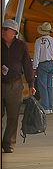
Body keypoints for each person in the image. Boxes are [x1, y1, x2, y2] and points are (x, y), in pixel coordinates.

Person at [2, 19, 36, 153]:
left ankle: (9, 144)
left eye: (5, 29)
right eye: (2, 29)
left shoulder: (21, 46)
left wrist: (31, 84)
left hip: (15, 85)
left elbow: (27, 65)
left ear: (14, 32)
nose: (3, 31)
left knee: (13, 116)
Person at [32, 21, 53, 114]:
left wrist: (34, 67)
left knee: (42, 86)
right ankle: (50, 107)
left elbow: (36, 55)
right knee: (49, 87)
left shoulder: (39, 41)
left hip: (43, 64)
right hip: (52, 64)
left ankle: (45, 107)